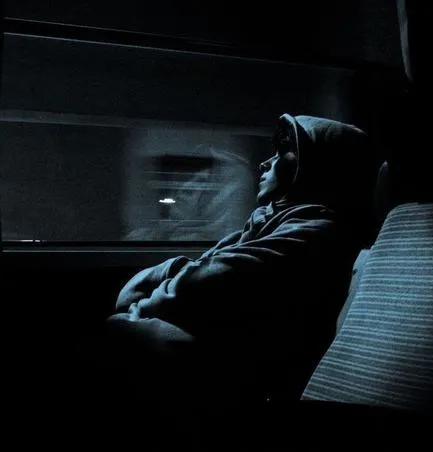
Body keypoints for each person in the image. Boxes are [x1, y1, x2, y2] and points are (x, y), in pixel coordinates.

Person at [76, 113, 378, 416]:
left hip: (259, 378)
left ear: (318, 168)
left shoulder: (316, 232)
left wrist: (144, 305)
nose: (264, 164)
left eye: (283, 152)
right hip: (231, 355)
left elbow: (196, 286)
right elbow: (197, 274)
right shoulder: (264, 224)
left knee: (120, 335)